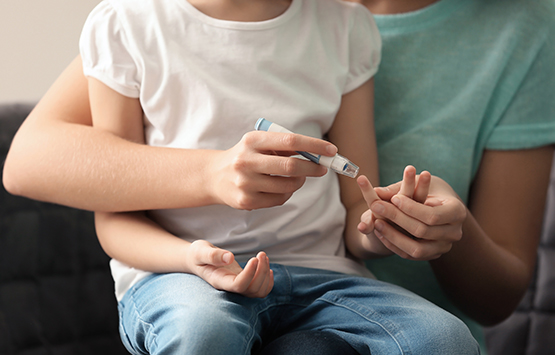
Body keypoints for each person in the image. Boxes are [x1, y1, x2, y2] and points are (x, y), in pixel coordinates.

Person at [3, 0, 554, 353]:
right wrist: (201, 210)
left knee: (443, 340)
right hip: (193, 279)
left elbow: (357, 220)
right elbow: (48, 172)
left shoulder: (344, 32)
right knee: (204, 330)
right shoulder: (130, 26)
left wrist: (392, 221)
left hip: (326, 279)